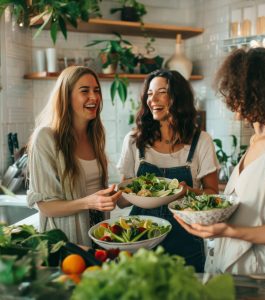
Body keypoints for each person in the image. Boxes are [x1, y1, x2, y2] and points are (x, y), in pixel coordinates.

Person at [175, 47, 265, 275]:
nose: (231, 98)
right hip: (226, 269)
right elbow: (244, 206)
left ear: (258, 92)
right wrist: (193, 197)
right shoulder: (256, 141)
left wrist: (227, 231)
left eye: (237, 90)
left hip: (257, 277)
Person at [117, 69, 219, 272]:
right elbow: (121, 201)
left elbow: (212, 195)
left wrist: (186, 191)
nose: (152, 99)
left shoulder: (202, 141)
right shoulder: (134, 141)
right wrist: (126, 191)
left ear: (177, 97)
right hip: (141, 239)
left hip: (186, 241)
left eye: (161, 92)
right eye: (149, 94)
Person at [27, 66, 121, 246]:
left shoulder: (94, 135)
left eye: (96, 91)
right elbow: (45, 206)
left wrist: (123, 192)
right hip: (67, 242)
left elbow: (94, 190)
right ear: (66, 96)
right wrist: (89, 202)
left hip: (100, 233)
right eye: (84, 91)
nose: (94, 97)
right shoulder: (46, 138)